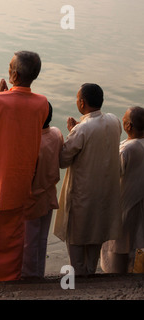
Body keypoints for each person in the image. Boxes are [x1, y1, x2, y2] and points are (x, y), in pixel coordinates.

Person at [0, 51, 49, 282]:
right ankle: (10, 280)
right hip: (20, 184)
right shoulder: (42, 103)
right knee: (14, 238)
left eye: (9, 66)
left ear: (13, 73)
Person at [54, 83, 122, 277]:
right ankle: (90, 273)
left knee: (76, 236)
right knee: (96, 232)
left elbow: (62, 160)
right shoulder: (114, 121)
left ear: (82, 103)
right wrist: (78, 128)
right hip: (105, 192)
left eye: (77, 99)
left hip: (83, 193)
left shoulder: (81, 130)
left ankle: (78, 276)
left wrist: (71, 132)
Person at [22, 103, 64, 278]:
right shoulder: (56, 133)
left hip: (32, 197)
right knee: (41, 239)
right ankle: (38, 273)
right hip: (48, 194)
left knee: (28, 242)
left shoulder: (31, 141)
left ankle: (29, 276)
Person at [101, 106, 144, 273]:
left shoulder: (128, 150)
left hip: (123, 209)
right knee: (135, 245)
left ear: (129, 126)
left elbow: (108, 174)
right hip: (137, 206)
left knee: (118, 253)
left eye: (124, 120)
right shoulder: (131, 146)